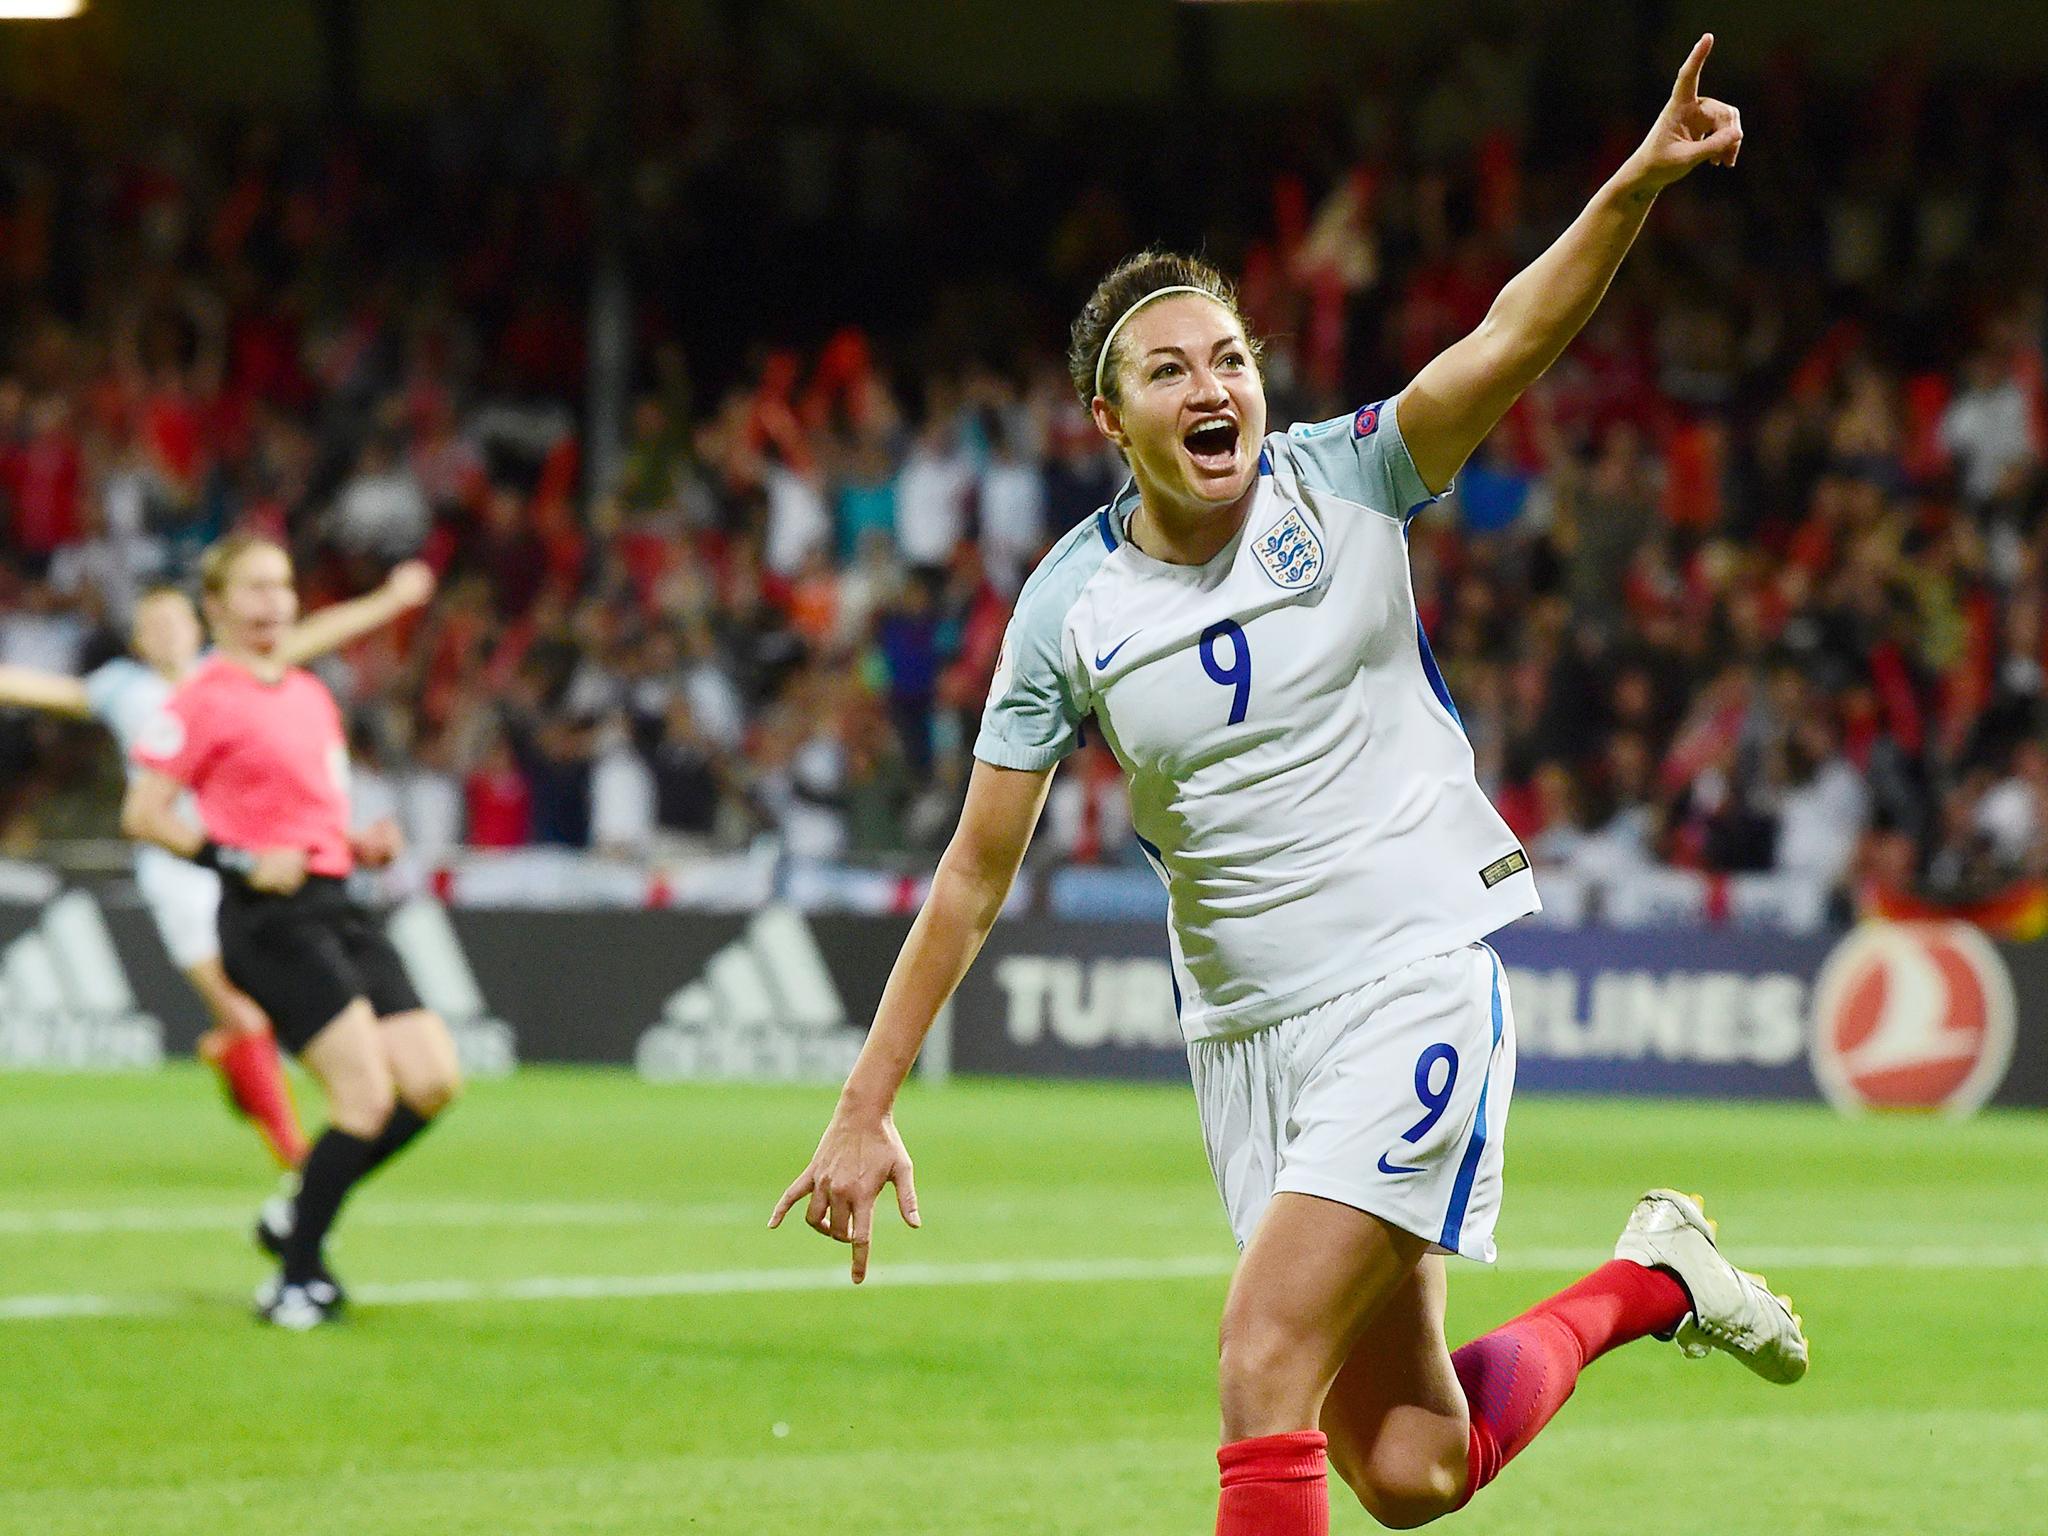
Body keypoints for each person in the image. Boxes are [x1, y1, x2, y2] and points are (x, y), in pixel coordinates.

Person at [773, 38, 1804, 1533]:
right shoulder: (1071, 609)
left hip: (1411, 978)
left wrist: (1632, 191)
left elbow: (1509, 338)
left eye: (1233, 358)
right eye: (1169, 368)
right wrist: (865, 1103)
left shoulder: (1350, 476)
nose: (1215, 386)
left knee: (1260, 1363)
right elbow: (975, 874)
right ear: (1109, 422)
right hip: (1247, 1040)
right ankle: (1658, 1278)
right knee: (1409, 1468)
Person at [122, 535, 462, 1330]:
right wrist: (234, 857)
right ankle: (296, 1278)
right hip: (266, 921)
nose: (273, 603)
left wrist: (359, 844)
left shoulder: (309, 693)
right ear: (217, 606)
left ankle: (294, 1213)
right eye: (253, 589)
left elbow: (312, 816)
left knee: (433, 1079)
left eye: (282, 587)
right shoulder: (199, 700)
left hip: (340, 899)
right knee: (365, 1096)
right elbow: (143, 814)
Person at [0, 561, 436, 1168]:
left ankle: (245, 1065)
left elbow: (321, 633)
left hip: (260, 861)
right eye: (153, 624)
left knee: (259, 1007)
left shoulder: (232, 671)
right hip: (179, 864)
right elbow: (31, 687)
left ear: (198, 624)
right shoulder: (120, 688)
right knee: (239, 1008)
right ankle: (289, 1145)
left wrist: (391, 599)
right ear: (138, 641)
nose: (167, 632)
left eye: (175, 620)